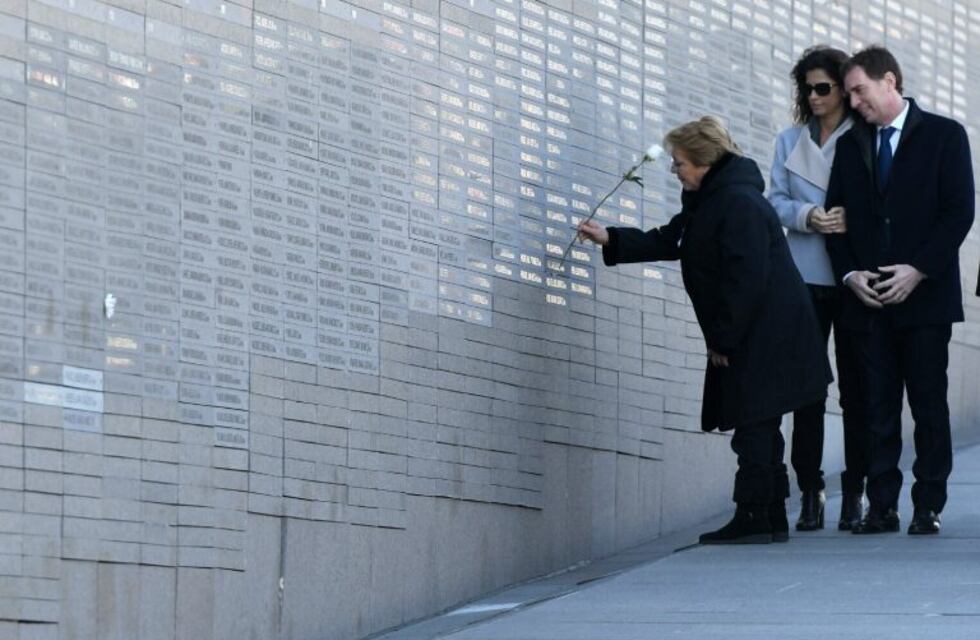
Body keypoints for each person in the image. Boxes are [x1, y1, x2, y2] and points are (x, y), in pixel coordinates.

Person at [578, 117, 832, 544]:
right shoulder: (713, 199)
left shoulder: (736, 203)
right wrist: (611, 239)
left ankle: (755, 516)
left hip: (765, 333)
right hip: (764, 330)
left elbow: (746, 278)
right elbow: (673, 239)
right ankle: (768, 517)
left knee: (753, 423)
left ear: (703, 161)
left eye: (679, 163)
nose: (675, 170)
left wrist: (724, 339)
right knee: (759, 425)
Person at [825, 46, 975, 535]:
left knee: (928, 402)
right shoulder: (851, 146)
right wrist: (850, 275)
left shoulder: (944, 135)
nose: (853, 102)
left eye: (858, 90)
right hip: (870, 300)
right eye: (848, 93)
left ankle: (927, 503)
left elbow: (959, 212)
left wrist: (919, 270)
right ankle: (882, 504)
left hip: (926, 298)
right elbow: (837, 219)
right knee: (876, 406)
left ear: (889, 81)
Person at [768, 46, 868, 532]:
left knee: (857, 390)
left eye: (823, 87)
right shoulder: (789, 141)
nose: (814, 96)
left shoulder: (865, 137)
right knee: (807, 390)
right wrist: (809, 216)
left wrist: (851, 219)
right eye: (807, 88)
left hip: (851, 276)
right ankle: (810, 488)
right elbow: (774, 201)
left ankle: (856, 490)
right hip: (803, 274)